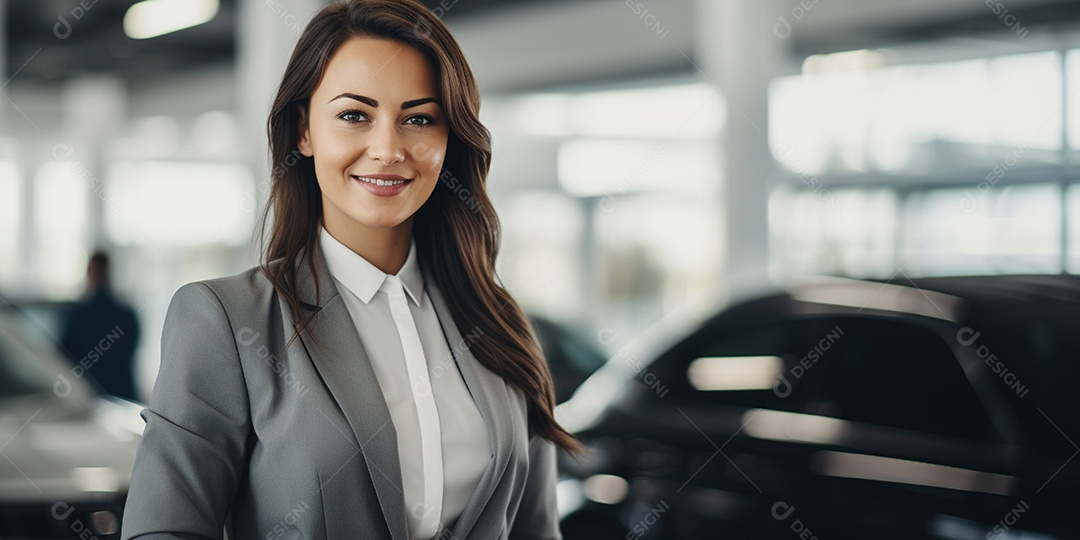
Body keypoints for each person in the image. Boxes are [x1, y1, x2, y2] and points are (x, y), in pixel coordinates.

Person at [120, 1, 580, 539]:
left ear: (449, 138)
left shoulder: (499, 321)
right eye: (354, 115)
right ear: (304, 132)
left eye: (419, 118)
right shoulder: (225, 320)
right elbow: (164, 529)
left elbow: (536, 530)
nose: (387, 149)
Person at [59, 250, 141, 403]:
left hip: (91, 395)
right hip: (122, 394)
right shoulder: (126, 314)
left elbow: (65, 355)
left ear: (89, 273)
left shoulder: (78, 314)